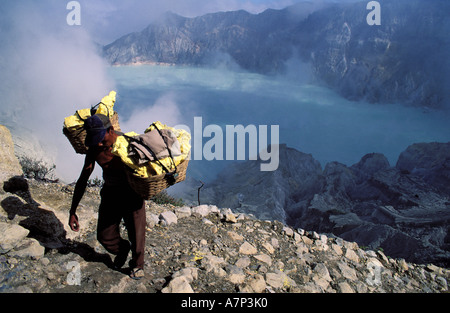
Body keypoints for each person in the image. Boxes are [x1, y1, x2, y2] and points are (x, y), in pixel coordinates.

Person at [68, 114, 146, 280]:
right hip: (111, 192)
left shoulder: (128, 144)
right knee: (105, 236)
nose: (98, 143)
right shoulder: (95, 149)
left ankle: (138, 265)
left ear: (111, 130)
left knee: (137, 234)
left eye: (101, 139)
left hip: (133, 194)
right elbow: (83, 178)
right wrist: (72, 210)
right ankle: (122, 248)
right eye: (94, 139)